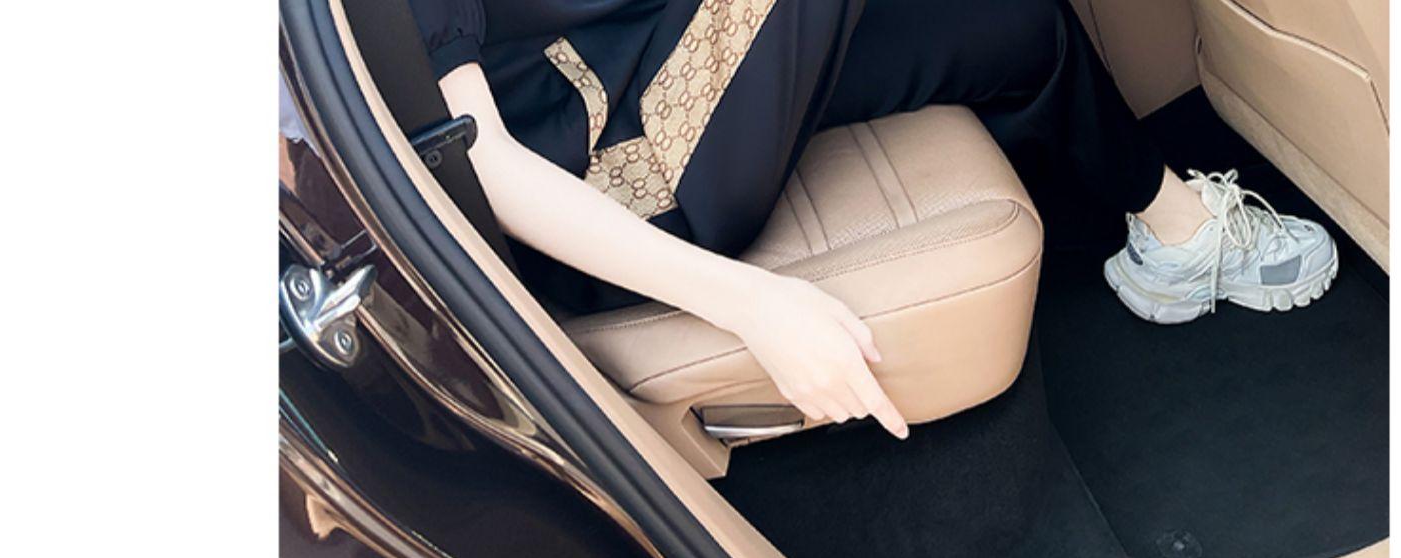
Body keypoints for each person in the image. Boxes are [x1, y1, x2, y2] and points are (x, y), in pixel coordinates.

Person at [408, 0, 1338, 439]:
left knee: (1016, 25)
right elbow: (486, 165)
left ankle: (1179, 236)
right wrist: (753, 303)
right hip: (626, 170)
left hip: (667, 47)